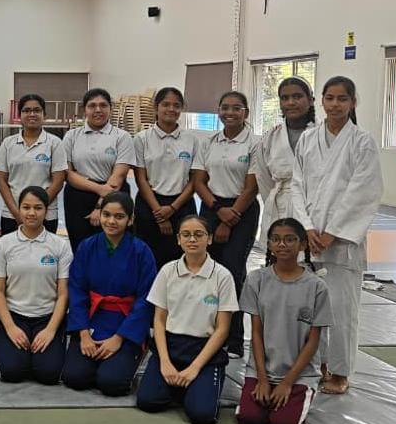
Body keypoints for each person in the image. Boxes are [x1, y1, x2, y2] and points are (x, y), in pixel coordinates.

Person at [290, 76, 383, 394]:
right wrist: (306, 227)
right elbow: (297, 185)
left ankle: (341, 371)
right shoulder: (308, 138)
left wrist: (332, 232)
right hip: (309, 237)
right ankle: (317, 364)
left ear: (353, 102)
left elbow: (363, 192)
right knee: (309, 307)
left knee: (342, 310)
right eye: (329, 98)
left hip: (342, 242)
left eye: (342, 99)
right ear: (322, 101)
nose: (335, 104)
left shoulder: (362, 142)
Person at [136, 215, 238, 424]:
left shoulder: (222, 276)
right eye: (186, 234)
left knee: (202, 415)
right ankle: (183, 386)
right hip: (171, 346)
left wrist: (194, 368)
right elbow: (159, 320)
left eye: (199, 234)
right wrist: (165, 362)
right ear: (178, 239)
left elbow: (222, 329)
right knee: (147, 401)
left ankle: (196, 387)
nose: (192, 239)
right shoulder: (167, 271)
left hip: (205, 350)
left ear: (209, 238)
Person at [236, 218, 332, 424]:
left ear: (302, 244)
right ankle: (265, 398)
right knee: (250, 419)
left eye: (290, 239)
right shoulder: (256, 280)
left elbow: (313, 341)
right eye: (276, 239)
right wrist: (262, 379)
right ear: (269, 244)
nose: (282, 245)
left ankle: (298, 402)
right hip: (262, 370)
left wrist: (287, 383)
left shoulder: (317, 287)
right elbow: (256, 333)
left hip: (299, 374)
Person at [64, 192, 156, 396]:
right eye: (106, 215)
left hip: (125, 323)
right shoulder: (87, 247)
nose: (111, 221)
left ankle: (130, 357)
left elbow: (146, 299)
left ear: (130, 219)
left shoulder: (142, 252)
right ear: (100, 215)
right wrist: (84, 334)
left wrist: (119, 338)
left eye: (119, 216)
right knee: (75, 377)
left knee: (111, 383)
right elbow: (77, 291)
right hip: (92, 320)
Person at [191, 91, 260, 358]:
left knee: (232, 272)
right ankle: (208, 331)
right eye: (225, 107)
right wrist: (218, 210)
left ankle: (234, 338)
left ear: (246, 113)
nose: (230, 113)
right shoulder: (209, 142)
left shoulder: (254, 143)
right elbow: (199, 181)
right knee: (207, 271)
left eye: (236, 108)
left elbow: (252, 187)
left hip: (242, 211)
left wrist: (230, 219)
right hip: (212, 208)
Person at [0, 186, 72, 384]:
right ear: (18, 209)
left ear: (46, 211)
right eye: (26, 207)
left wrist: (50, 330)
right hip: (15, 316)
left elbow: (63, 294)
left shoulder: (60, 246)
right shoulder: (4, 244)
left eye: (38, 208)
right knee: (12, 373)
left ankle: (39, 355)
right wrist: (10, 327)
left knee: (49, 375)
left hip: (47, 318)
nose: (32, 213)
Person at [59, 88, 136, 251]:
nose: (98, 110)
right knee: (81, 247)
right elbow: (68, 173)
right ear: (84, 110)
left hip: (114, 196)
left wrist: (101, 206)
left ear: (110, 108)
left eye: (103, 105)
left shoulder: (122, 137)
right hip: (78, 198)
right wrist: (99, 189)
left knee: (113, 248)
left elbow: (119, 174)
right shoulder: (72, 136)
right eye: (92, 106)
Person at [133, 87, 201, 266]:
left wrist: (172, 208)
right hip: (149, 204)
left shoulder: (192, 140)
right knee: (148, 259)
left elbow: (194, 180)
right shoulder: (141, 138)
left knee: (182, 259)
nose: (171, 109)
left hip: (182, 205)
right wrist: (159, 213)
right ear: (156, 108)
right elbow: (141, 179)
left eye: (176, 105)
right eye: (166, 104)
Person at [0, 94, 65, 235]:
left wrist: (38, 208)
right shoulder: (8, 143)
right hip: (12, 214)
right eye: (26, 110)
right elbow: (1, 180)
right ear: (20, 115)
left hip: (46, 215)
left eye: (37, 110)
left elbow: (58, 181)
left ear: (44, 115)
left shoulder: (55, 143)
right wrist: (17, 212)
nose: (32, 114)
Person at [252, 77, 315, 232]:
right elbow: (264, 180)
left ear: (310, 100)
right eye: (285, 98)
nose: (291, 102)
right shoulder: (270, 138)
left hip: (316, 207)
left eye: (297, 96)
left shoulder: (323, 135)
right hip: (280, 206)